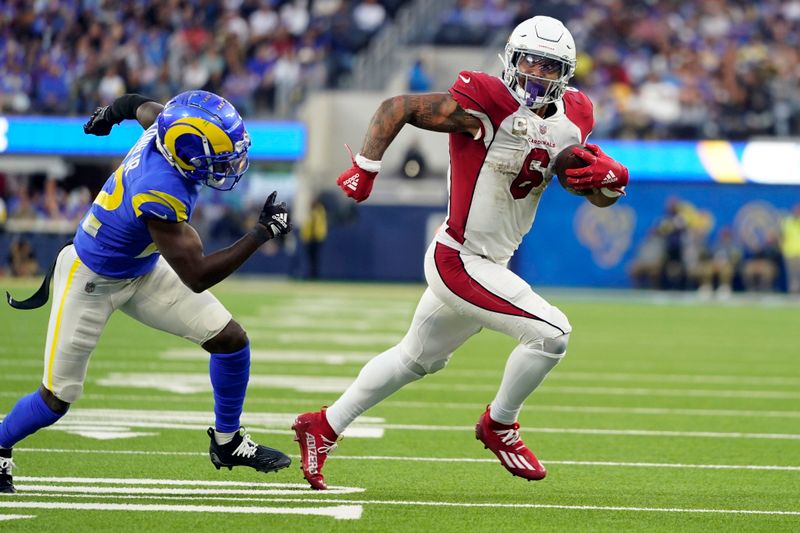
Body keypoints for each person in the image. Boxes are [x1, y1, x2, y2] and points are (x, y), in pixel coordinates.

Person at [291, 15, 629, 490]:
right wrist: (366, 166)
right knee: (552, 335)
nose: (536, 73)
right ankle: (500, 423)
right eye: (529, 61)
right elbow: (398, 106)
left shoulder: (575, 117)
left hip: (492, 263)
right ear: (510, 60)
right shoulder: (487, 102)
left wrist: (609, 186)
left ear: (566, 74)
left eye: (549, 66)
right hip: (460, 259)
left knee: (415, 359)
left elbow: (581, 182)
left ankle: (322, 426)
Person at [0, 91, 293, 494]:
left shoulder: (165, 128)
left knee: (230, 340)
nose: (228, 165)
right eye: (218, 157)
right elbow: (197, 274)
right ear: (187, 153)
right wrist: (260, 234)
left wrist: (107, 115)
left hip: (139, 267)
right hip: (91, 279)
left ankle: (227, 443)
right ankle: (0, 443)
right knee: (56, 399)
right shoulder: (159, 188)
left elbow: (135, 103)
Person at [780, 204, 800, 294]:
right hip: (789, 251)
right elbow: (782, 236)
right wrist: (783, 248)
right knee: (792, 274)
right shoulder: (787, 222)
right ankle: (793, 292)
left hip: (799, 251)